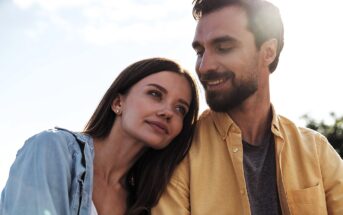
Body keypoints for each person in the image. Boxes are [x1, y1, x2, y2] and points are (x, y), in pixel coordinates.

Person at [152, 0, 343, 214]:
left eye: (224, 48)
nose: (204, 66)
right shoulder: (179, 153)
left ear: (268, 51)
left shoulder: (316, 151)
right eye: (200, 51)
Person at [0, 57, 199, 215]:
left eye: (180, 108)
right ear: (118, 103)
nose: (168, 112)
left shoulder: (147, 202)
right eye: (155, 94)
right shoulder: (52, 149)